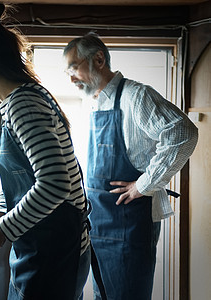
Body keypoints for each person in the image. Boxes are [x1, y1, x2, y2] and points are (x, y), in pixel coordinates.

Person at [0, 3, 90, 299]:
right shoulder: (13, 102)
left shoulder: (23, 104)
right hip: (37, 246)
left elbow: (55, 184)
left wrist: (3, 229)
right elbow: (15, 179)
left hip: (53, 254)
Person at [63, 32, 199, 300]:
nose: (71, 78)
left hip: (128, 229)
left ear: (99, 59)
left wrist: (144, 184)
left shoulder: (136, 96)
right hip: (97, 227)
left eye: (74, 67)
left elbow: (183, 133)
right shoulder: (94, 103)